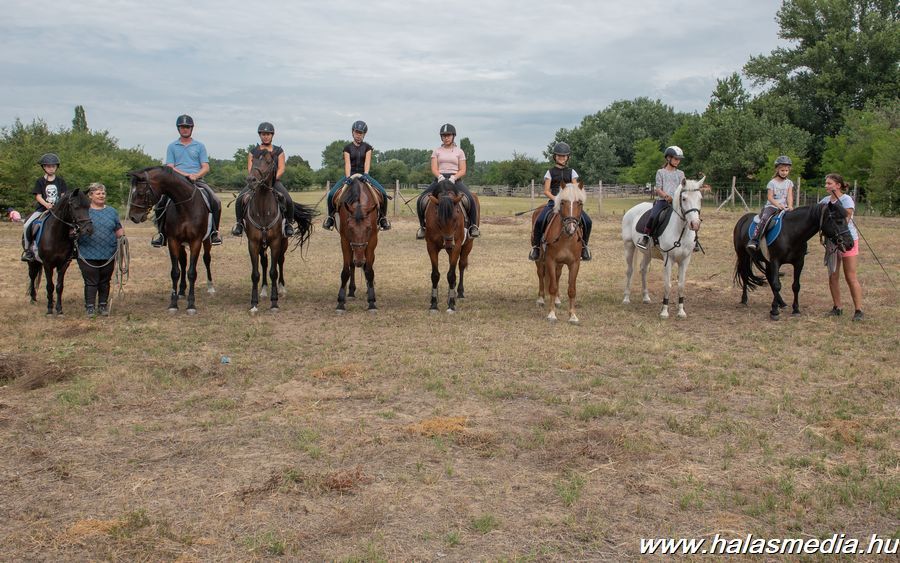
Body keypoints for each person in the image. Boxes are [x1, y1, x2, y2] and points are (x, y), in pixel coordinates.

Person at [151, 114, 222, 247]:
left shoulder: (199, 146)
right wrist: (184, 175)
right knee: (160, 204)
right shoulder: (172, 146)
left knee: (216, 201)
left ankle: (214, 233)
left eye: (187, 127)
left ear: (191, 128)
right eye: (182, 127)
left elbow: (206, 166)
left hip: (197, 181)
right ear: (178, 129)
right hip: (176, 182)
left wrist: (195, 175)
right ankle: (161, 234)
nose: (185, 129)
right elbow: (170, 167)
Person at [322, 120, 391, 231]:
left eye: (361, 133)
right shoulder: (347, 148)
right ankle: (330, 218)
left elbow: (367, 163)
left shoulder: (367, 148)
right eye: (356, 132)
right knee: (331, 194)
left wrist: (366, 174)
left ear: (364, 134)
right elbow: (347, 164)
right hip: (350, 175)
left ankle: (383, 218)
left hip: (364, 175)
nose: (358, 135)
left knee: (382, 192)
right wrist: (348, 177)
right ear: (353, 132)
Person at [528, 142, 592, 261]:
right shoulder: (550, 172)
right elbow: (546, 191)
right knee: (540, 220)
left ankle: (584, 247)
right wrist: (557, 199)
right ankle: (536, 247)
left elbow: (575, 188)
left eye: (564, 156)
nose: (561, 158)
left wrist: (572, 198)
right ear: (555, 157)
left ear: (568, 157)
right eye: (559, 156)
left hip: (569, 204)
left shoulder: (572, 172)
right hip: (554, 202)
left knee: (588, 221)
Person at [416, 123, 479, 239]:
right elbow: (434, 168)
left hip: (455, 180)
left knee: (470, 199)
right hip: (439, 180)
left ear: (453, 136)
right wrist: (440, 176)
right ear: (441, 137)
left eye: (448, 135)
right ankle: (423, 227)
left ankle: (473, 226)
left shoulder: (459, 152)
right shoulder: (436, 151)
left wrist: (454, 177)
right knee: (421, 199)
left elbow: (463, 169)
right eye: (444, 136)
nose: (446, 138)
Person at [231, 122, 295, 237]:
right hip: (256, 182)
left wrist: (272, 179)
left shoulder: (278, 151)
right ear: (260, 135)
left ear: (272, 135)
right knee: (240, 199)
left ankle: (289, 224)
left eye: (268, 134)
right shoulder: (253, 151)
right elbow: (250, 168)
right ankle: (239, 224)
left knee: (288, 200)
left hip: (273, 182)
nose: (266, 136)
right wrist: (256, 179)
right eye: (263, 134)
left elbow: (282, 168)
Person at [638, 146, 700, 252]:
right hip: (663, 201)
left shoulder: (681, 174)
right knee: (653, 216)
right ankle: (646, 237)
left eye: (679, 159)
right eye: (676, 159)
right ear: (668, 158)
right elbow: (658, 188)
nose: (678, 161)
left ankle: (694, 240)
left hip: (677, 202)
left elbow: (683, 188)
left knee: (691, 216)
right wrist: (666, 196)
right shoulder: (660, 172)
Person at [821, 173, 864, 321]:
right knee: (833, 275)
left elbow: (846, 218)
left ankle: (858, 310)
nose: (826, 186)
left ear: (838, 185)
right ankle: (837, 307)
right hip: (832, 242)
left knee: (850, 276)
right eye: (826, 183)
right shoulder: (825, 201)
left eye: (829, 183)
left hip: (847, 240)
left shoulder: (846, 199)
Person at [76, 183, 124, 317]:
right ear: (90, 196)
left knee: (105, 280)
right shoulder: (83, 211)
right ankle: (90, 307)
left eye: (103, 193)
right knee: (91, 281)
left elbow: (118, 228)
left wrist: (122, 237)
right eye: (98, 193)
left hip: (108, 252)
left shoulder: (112, 211)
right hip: (87, 252)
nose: (101, 195)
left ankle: (103, 305)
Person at [22, 153, 69, 261]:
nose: (51, 168)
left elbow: (63, 195)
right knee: (27, 225)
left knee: (72, 225)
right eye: (48, 166)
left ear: (57, 167)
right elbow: (38, 196)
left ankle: (72, 249)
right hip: (43, 209)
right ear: (44, 167)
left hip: (58, 210)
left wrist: (57, 206)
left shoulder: (60, 181)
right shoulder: (40, 181)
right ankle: (28, 250)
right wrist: (47, 205)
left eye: (53, 166)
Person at [747, 156, 794, 250]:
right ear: (777, 169)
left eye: (786, 170)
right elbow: (770, 197)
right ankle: (754, 240)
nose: (784, 172)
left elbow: (789, 196)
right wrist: (778, 205)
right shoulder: (772, 183)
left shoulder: (789, 183)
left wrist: (790, 205)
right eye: (782, 170)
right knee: (764, 219)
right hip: (772, 206)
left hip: (785, 207)